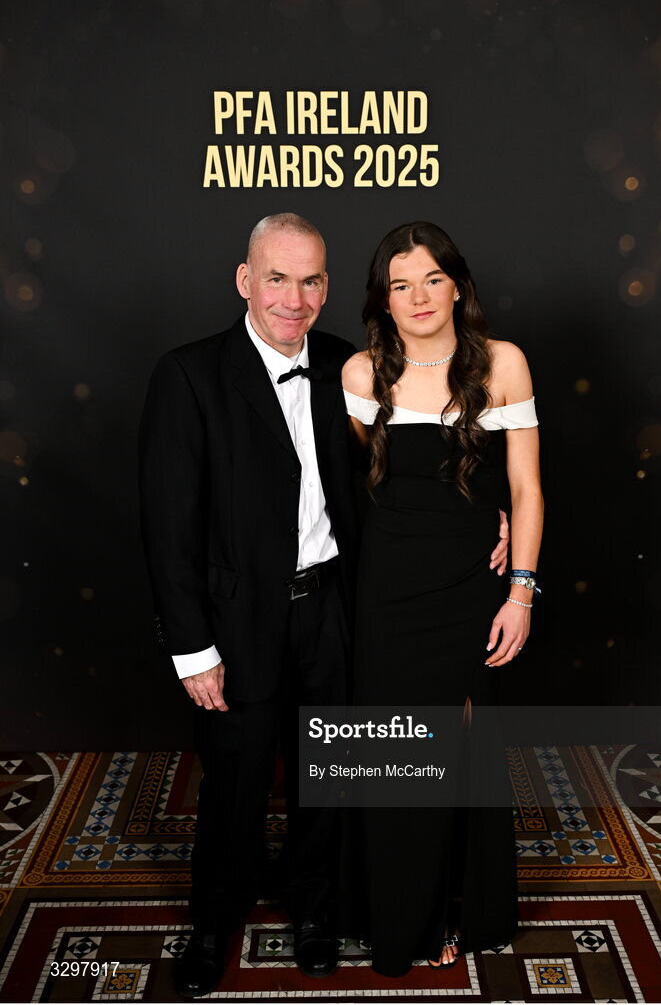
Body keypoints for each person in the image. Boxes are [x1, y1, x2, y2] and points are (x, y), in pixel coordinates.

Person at [138, 213, 360, 996]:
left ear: (326, 288)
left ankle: (314, 907)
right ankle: (214, 917)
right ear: (245, 280)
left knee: (326, 769)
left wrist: (490, 520)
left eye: (309, 281)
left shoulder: (349, 366)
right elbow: (168, 528)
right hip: (236, 622)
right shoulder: (190, 374)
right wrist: (193, 648)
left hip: (331, 608)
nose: (292, 299)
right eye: (276, 277)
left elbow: (406, 476)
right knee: (232, 780)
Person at [340, 220, 543, 977]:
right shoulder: (361, 375)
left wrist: (519, 588)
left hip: (470, 590)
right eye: (399, 284)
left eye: (430, 278)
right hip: (387, 594)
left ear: (457, 284)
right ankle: (401, 916)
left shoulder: (503, 364)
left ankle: (460, 908)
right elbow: (364, 490)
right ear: (382, 300)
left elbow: (525, 488)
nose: (417, 296)